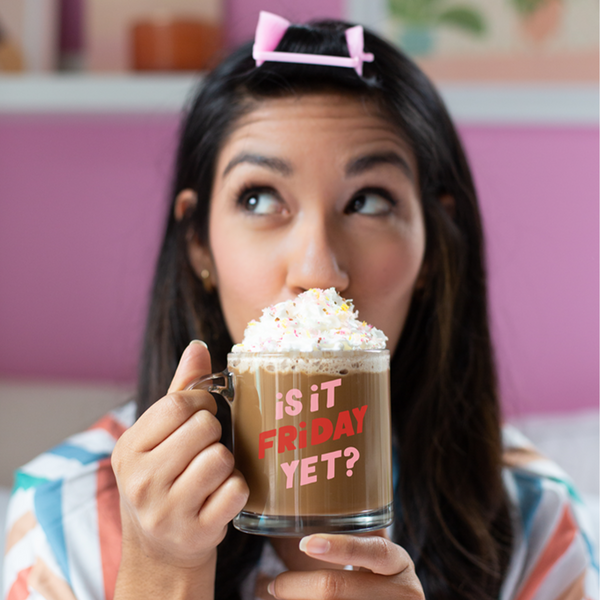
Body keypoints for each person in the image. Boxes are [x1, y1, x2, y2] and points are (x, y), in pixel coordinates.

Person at [4, 11, 597, 600]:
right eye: (259, 198)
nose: (317, 272)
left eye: (367, 201)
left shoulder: (538, 526)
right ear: (198, 245)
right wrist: (162, 573)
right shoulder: (66, 515)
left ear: (434, 249)